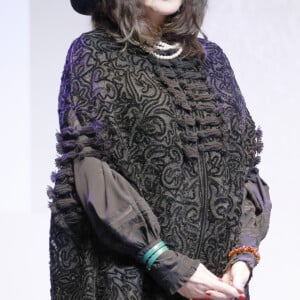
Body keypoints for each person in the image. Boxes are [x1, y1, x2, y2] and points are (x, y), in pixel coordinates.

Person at [48, 0, 272, 299]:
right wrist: (167, 263)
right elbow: (90, 170)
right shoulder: (94, 52)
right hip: (136, 279)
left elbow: (242, 169)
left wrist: (243, 256)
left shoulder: (213, 58)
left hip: (218, 284)